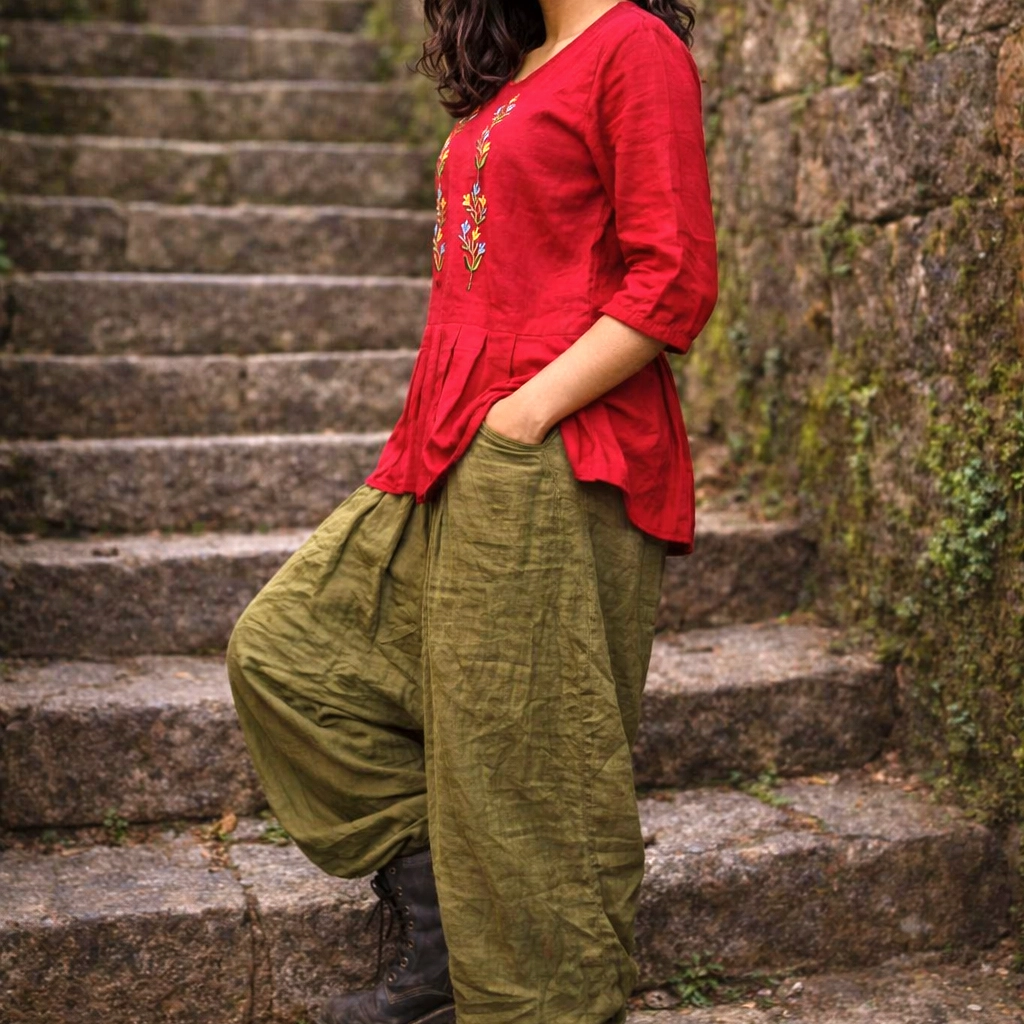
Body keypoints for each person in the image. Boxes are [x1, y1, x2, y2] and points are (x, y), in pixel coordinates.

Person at [225, 1, 718, 1022]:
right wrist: (449, 432)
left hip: (555, 445)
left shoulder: (634, 45)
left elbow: (672, 276)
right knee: (289, 651)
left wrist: (527, 411)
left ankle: (539, 1000)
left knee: (526, 747)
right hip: (448, 441)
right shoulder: (519, 60)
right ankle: (453, 933)